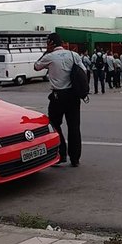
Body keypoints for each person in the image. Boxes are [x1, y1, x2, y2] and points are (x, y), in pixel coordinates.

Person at [34, 33, 85, 167]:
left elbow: (36, 66)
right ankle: (75, 159)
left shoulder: (49, 57)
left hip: (58, 97)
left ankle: (61, 154)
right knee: (74, 127)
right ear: (61, 42)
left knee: (55, 125)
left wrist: (46, 51)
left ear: (50, 43)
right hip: (73, 96)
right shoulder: (74, 55)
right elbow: (83, 71)